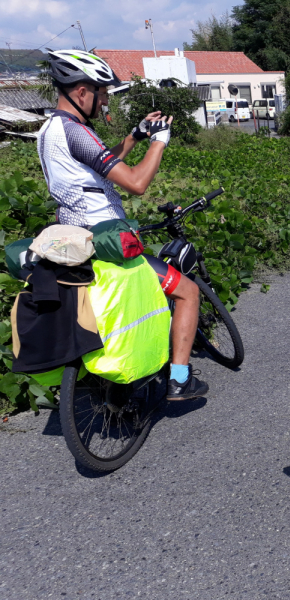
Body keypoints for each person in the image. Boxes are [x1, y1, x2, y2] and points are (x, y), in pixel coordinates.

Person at [37, 49, 208, 401]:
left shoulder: (50, 129)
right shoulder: (76, 132)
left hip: (79, 237)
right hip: (109, 244)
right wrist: (159, 142)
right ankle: (179, 378)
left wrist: (134, 136)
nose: (103, 103)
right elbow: (135, 182)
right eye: (100, 94)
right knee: (188, 292)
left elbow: (98, 166)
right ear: (81, 92)